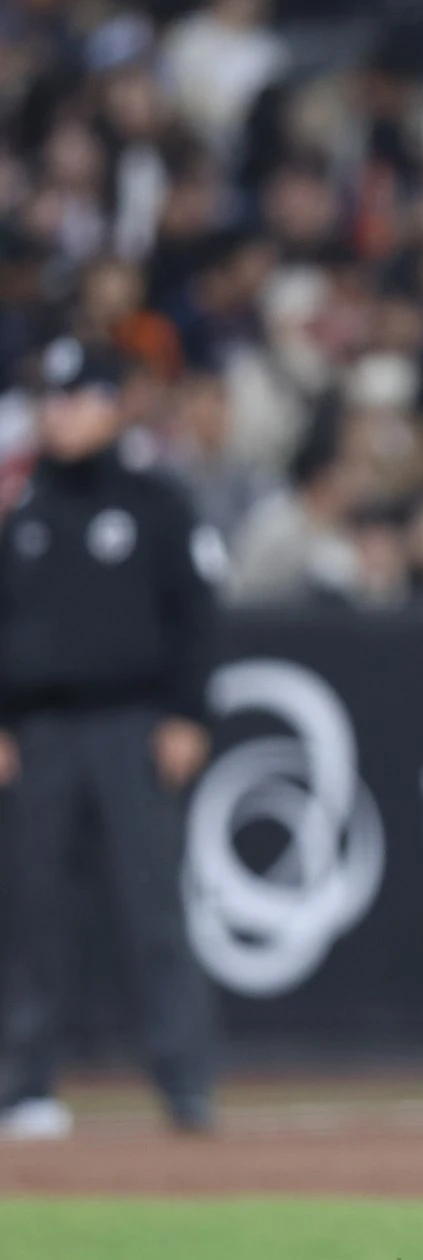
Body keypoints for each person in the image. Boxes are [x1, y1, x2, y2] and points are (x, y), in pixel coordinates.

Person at [0, 338, 226, 1138]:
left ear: (111, 406)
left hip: (133, 726)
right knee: (34, 912)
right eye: (52, 401)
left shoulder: (155, 502)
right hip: (40, 732)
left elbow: (195, 616)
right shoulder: (20, 507)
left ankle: (185, 1083)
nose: (61, 415)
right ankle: (25, 1085)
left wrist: (188, 714)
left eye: (78, 400)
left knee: (151, 908)